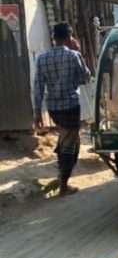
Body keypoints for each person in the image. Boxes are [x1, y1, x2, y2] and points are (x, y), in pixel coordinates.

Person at [34, 23, 91, 196]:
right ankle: (64, 184)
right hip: (70, 106)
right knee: (70, 144)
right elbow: (85, 77)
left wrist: (37, 111)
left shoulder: (42, 58)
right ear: (69, 37)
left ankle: (62, 175)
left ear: (54, 38)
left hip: (53, 108)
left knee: (68, 139)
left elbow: (38, 86)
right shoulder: (74, 56)